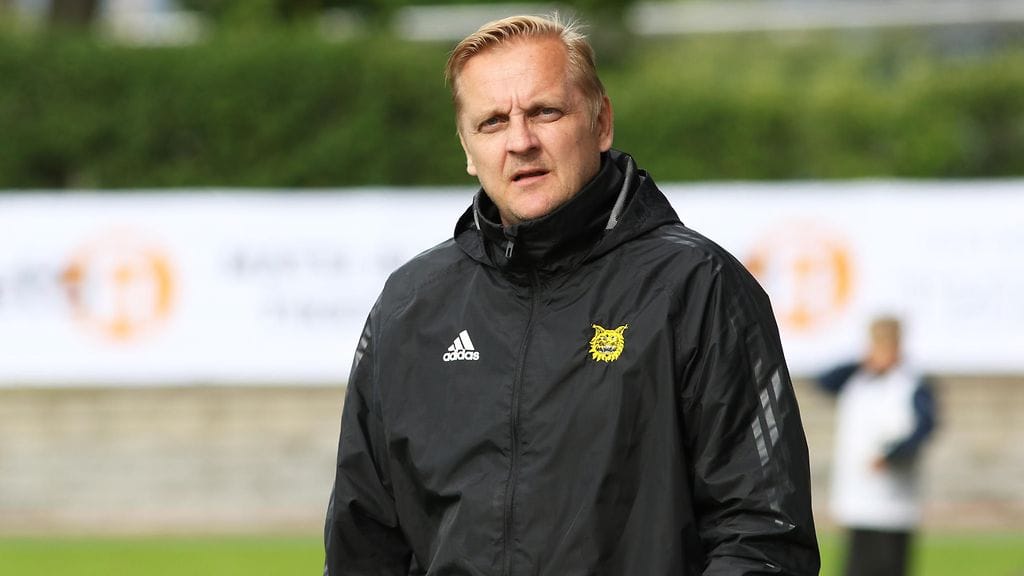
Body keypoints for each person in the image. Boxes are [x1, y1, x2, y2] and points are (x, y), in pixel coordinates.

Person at [324, 14, 819, 575]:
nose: (521, 142)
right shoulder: (410, 305)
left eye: (545, 112)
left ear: (601, 122)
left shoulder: (698, 286)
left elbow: (763, 537)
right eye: (492, 122)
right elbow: (362, 545)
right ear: (467, 148)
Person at [816, 316, 938, 576]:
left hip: (894, 500)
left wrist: (891, 456)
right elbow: (823, 381)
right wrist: (862, 363)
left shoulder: (911, 383)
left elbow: (925, 428)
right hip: (857, 496)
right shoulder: (857, 379)